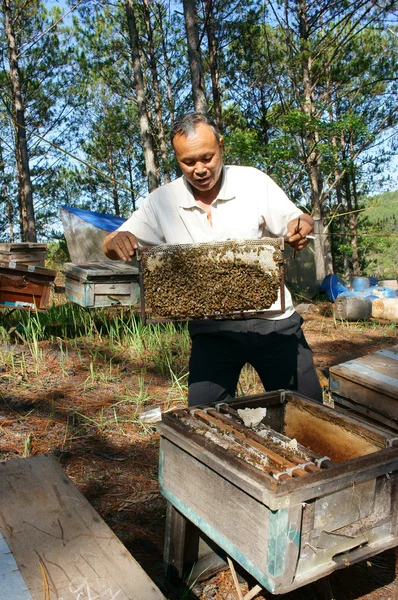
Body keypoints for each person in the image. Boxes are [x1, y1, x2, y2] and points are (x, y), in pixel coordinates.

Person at [103, 112, 322, 405]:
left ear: (221, 146)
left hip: (274, 325)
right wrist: (114, 241)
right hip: (212, 332)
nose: (200, 169)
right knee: (203, 420)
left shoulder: (252, 182)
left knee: (307, 413)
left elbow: (298, 219)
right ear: (177, 159)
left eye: (207, 157)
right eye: (188, 162)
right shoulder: (162, 201)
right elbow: (112, 242)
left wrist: (301, 228)